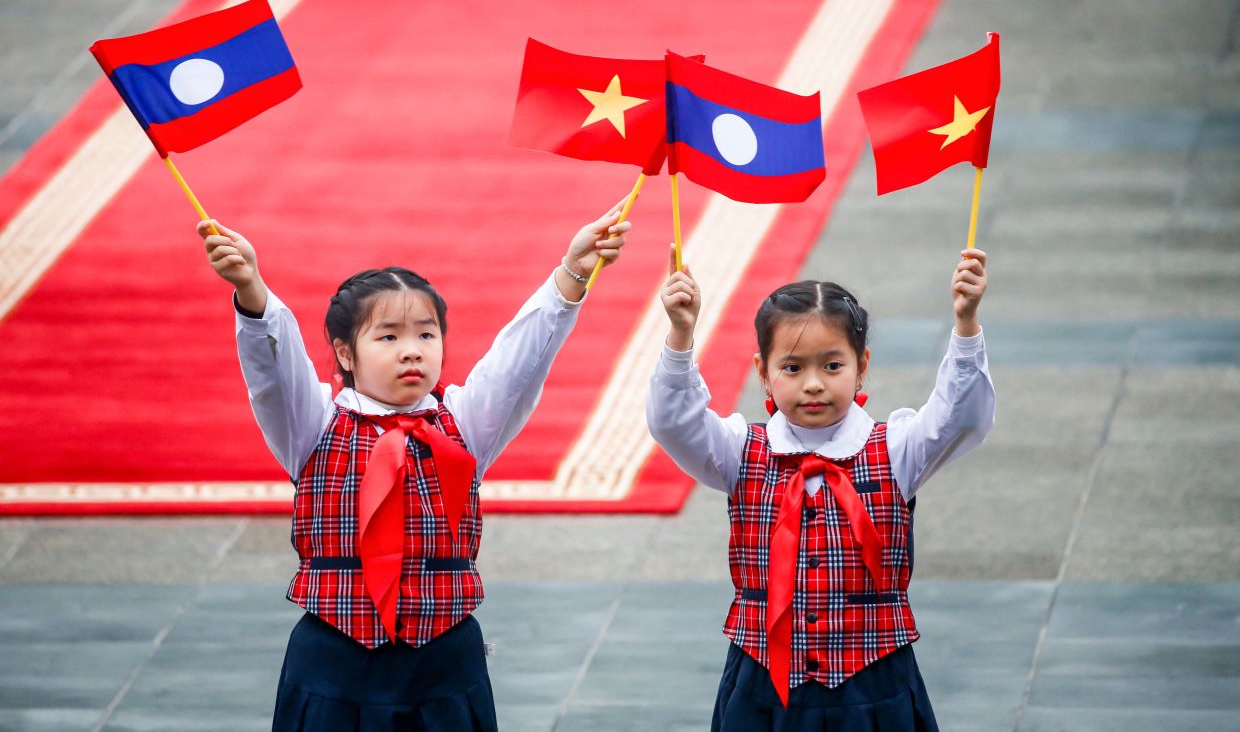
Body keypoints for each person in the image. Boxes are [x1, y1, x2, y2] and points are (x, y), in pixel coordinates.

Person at [198, 204, 629, 732]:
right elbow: (274, 370)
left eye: (426, 335)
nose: (412, 352)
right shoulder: (313, 426)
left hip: (443, 664)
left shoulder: (463, 424)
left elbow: (521, 362)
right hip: (335, 663)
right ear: (345, 353)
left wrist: (573, 274)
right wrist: (251, 291)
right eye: (388, 337)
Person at [647, 245, 994, 731]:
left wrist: (966, 323)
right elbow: (672, 422)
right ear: (762, 373)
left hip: (873, 685)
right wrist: (681, 335)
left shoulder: (894, 448)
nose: (813, 384)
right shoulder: (739, 449)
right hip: (764, 684)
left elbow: (961, 415)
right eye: (792, 368)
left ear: (862, 365)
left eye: (832, 366)